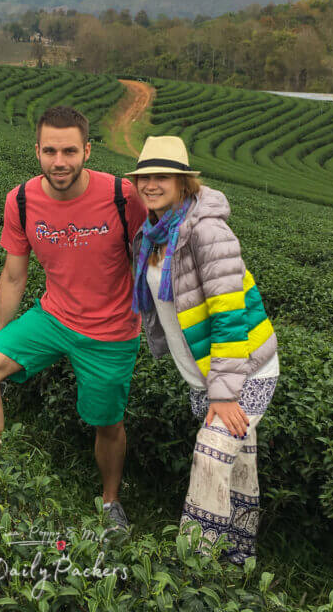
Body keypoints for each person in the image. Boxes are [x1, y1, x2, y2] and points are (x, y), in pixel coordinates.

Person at [0, 106, 147, 530]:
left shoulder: (123, 197)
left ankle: (110, 501)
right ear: (37, 151)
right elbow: (13, 274)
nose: (58, 161)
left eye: (68, 151)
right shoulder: (22, 200)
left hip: (111, 331)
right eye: (49, 151)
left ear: (87, 150)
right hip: (53, 316)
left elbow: (157, 250)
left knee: (107, 422)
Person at [127, 135, 279, 564]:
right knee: (239, 457)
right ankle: (238, 555)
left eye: (162, 176)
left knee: (210, 457)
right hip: (205, 374)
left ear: (183, 182)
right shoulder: (154, 233)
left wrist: (224, 392)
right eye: (145, 177)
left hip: (243, 372)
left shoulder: (207, 230)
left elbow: (229, 315)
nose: (151, 184)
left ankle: (193, 564)